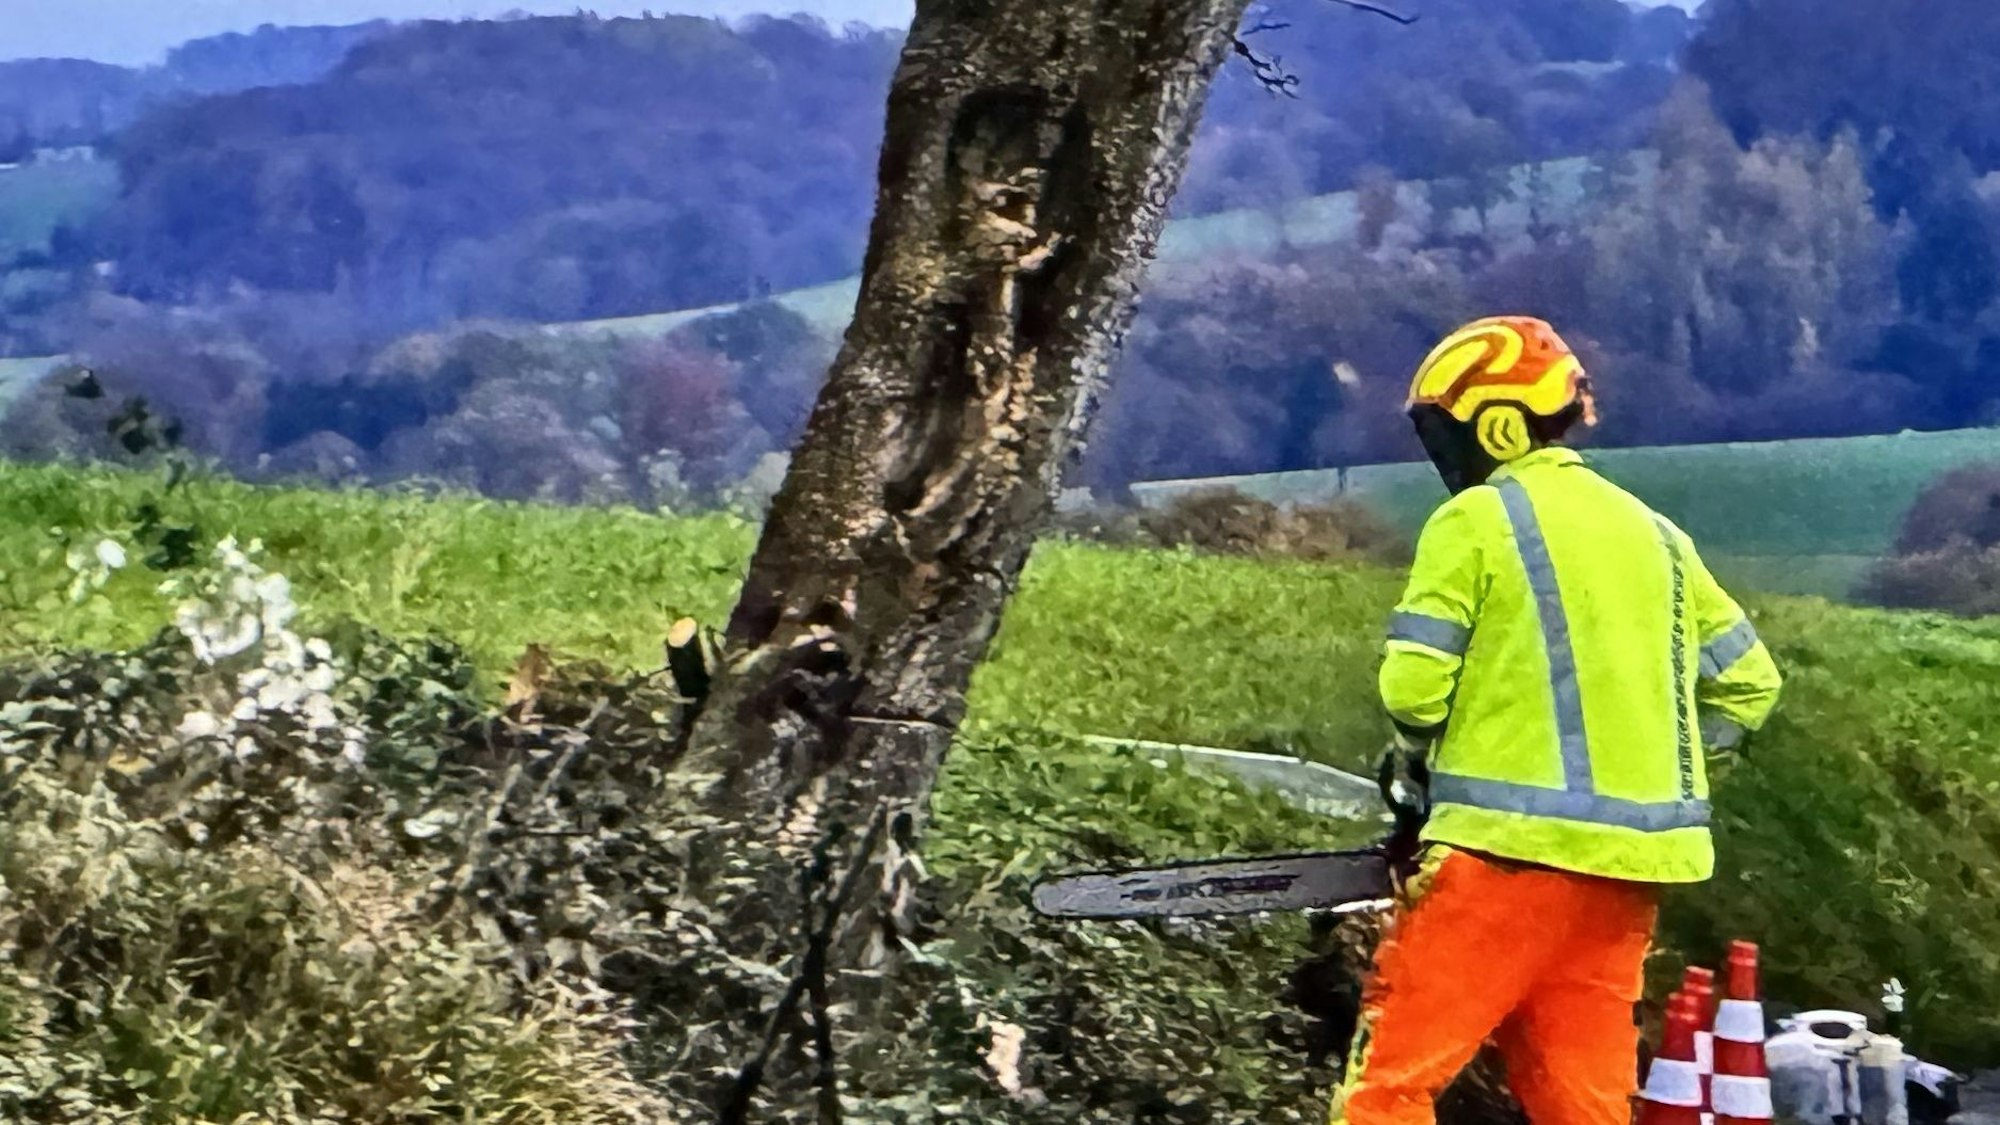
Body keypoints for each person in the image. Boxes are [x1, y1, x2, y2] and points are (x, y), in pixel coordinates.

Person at [1326, 316, 1784, 1125]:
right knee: (1585, 1104)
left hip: (1498, 863)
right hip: (1625, 876)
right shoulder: (1660, 537)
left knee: (1388, 1087)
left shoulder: (1474, 520)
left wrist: (1417, 764)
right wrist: (1667, 765)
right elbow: (1750, 682)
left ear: (1495, 425)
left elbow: (1414, 689)